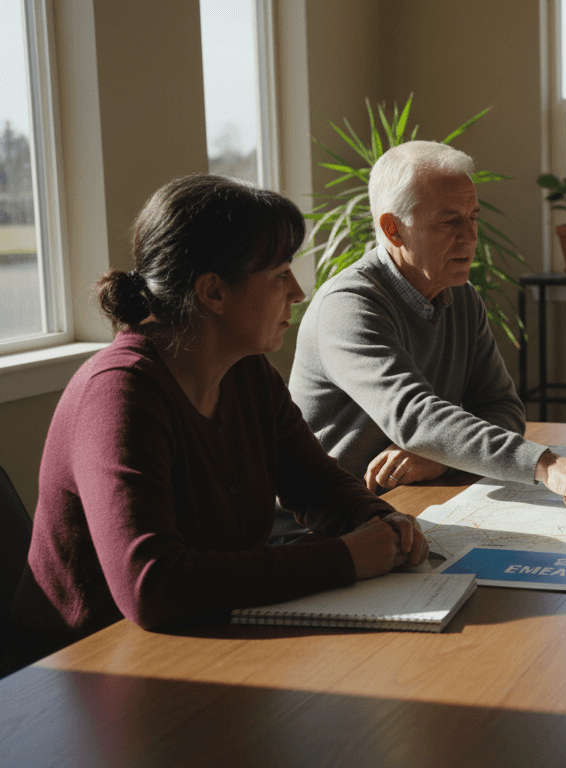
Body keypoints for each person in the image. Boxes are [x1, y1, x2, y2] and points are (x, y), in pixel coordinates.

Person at [2, 175, 426, 675]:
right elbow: (153, 584)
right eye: (279, 274)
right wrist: (345, 558)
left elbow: (315, 482)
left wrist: (378, 521)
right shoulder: (119, 394)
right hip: (80, 678)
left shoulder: (245, 371)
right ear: (213, 293)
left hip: (201, 646)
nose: (298, 291)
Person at [290, 141, 566, 515]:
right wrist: (547, 465)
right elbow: (414, 416)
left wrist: (440, 457)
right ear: (393, 230)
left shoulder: (461, 296)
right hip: (321, 522)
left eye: (473, 217)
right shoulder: (348, 305)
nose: (471, 238)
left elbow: (502, 407)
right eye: (449, 221)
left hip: (399, 509)